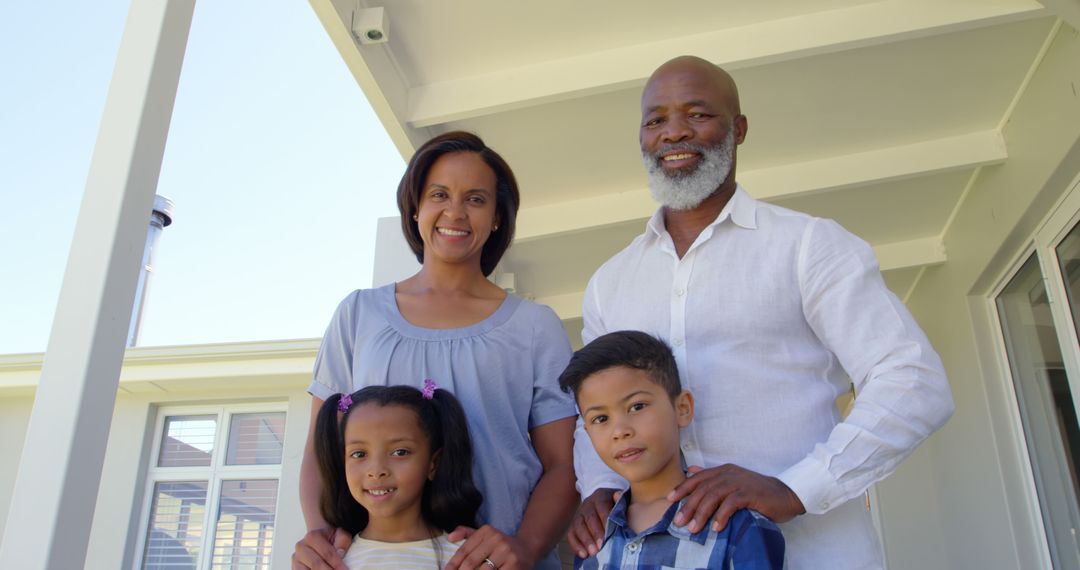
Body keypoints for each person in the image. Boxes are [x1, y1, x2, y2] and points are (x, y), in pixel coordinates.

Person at [567, 56, 955, 569]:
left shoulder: (807, 246)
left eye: (697, 114)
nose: (674, 132)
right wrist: (599, 487)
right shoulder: (610, 283)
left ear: (739, 129)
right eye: (655, 120)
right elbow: (590, 409)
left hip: (814, 553)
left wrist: (795, 489)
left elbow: (913, 379)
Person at [294, 131, 578, 570]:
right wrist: (320, 538)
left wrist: (524, 546)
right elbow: (320, 447)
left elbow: (563, 465)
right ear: (415, 208)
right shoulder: (358, 314)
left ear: (498, 217)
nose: (455, 212)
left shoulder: (534, 326)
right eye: (439, 194)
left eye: (476, 199)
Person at [559, 331, 785, 569]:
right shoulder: (594, 536)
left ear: (683, 408)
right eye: (601, 418)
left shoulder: (735, 526)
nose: (620, 431)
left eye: (637, 406)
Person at [314, 383, 482, 569]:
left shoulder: (466, 559)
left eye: (400, 452)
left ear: (434, 463)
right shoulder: (329, 561)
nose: (376, 470)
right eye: (359, 454)